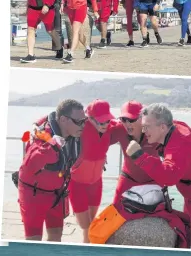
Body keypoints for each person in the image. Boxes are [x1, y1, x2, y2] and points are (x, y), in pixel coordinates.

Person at [17, 99, 85, 242]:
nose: (83, 125)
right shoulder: (42, 136)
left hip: (57, 193)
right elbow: (29, 166)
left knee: (56, 234)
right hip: (33, 193)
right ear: (63, 119)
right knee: (33, 239)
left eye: (83, 121)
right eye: (79, 122)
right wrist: (52, 147)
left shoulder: (75, 134)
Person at [126, 103, 191, 224]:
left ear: (163, 127)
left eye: (147, 127)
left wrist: (139, 157)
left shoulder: (181, 143)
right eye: (143, 127)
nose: (144, 131)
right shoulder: (172, 128)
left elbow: (169, 177)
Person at [69, 100, 115, 243]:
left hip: (96, 183)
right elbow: (54, 118)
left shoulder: (110, 127)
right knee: (85, 225)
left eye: (107, 121)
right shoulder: (80, 127)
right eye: (101, 122)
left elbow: (133, 123)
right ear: (89, 118)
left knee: (91, 225)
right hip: (77, 183)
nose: (105, 125)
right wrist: (36, 126)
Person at [109, 101, 160, 204]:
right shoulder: (119, 129)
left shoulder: (154, 131)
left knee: (157, 214)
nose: (127, 124)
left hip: (153, 180)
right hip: (128, 177)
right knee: (115, 210)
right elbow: (99, 140)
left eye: (132, 119)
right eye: (124, 119)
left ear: (142, 118)